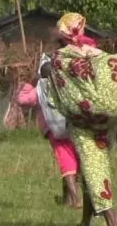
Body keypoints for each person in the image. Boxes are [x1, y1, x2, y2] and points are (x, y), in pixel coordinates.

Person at [43, 13, 117, 226]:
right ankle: (85, 223)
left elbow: (61, 95)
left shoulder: (60, 59)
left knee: (94, 170)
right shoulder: (98, 54)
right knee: (89, 172)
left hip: (84, 125)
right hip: (105, 124)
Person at [16, 57, 81, 209]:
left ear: (41, 75)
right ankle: (71, 199)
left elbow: (22, 101)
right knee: (77, 163)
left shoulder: (38, 90)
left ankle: (75, 199)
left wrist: (29, 85)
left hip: (54, 132)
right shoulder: (64, 85)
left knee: (67, 165)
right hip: (73, 128)